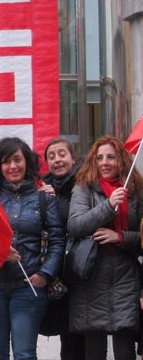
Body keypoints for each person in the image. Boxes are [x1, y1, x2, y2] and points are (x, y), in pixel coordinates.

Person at [0, 137, 64, 360]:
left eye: (18, 159)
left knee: (24, 353)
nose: (13, 166)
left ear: (27, 162)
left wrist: (45, 275)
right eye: (6, 162)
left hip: (28, 287)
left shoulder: (44, 199)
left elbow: (57, 241)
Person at [67, 135, 143, 360]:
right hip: (92, 278)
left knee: (125, 350)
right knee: (94, 351)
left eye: (111, 157)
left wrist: (120, 237)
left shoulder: (136, 191)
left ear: (122, 160)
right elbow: (75, 225)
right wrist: (108, 206)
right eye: (99, 158)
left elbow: (142, 239)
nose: (105, 162)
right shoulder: (83, 189)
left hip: (126, 279)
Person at [39, 137, 85, 360]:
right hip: (58, 273)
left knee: (82, 335)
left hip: (82, 270)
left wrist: (54, 200)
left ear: (73, 159)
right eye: (51, 156)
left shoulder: (84, 185)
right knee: (66, 333)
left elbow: (74, 221)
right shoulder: (41, 188)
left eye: (62, 154)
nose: (57, 160)